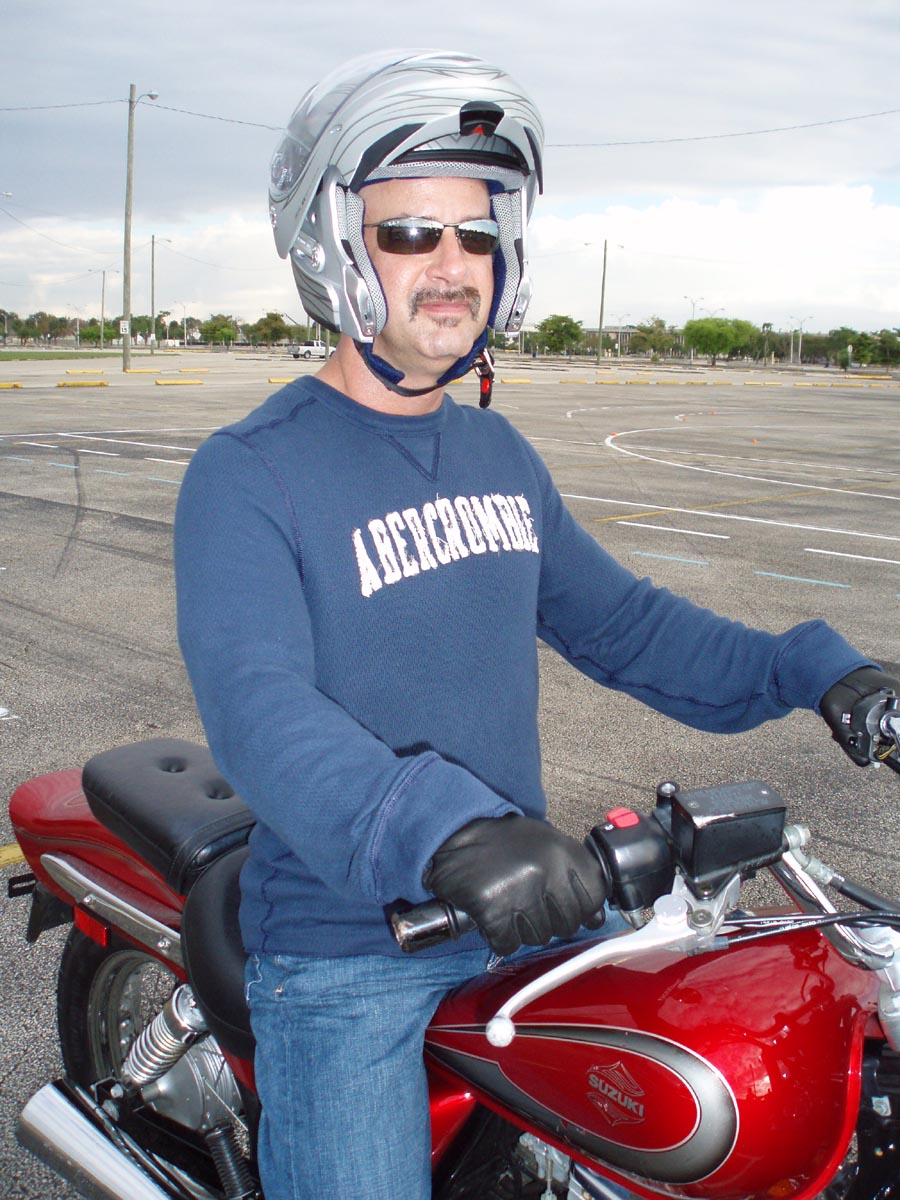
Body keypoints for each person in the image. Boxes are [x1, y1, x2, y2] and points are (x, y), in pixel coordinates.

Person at [173, 49, 898, 1200]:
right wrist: (448, 831)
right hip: (353, 950)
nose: (450, 264)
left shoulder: (497, 453)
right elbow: (261, 712)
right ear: (333, 246)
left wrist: (818, 671)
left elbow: (628, 628)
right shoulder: (250, 472)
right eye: (410, 232)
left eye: (476, 233)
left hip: (529, 912)